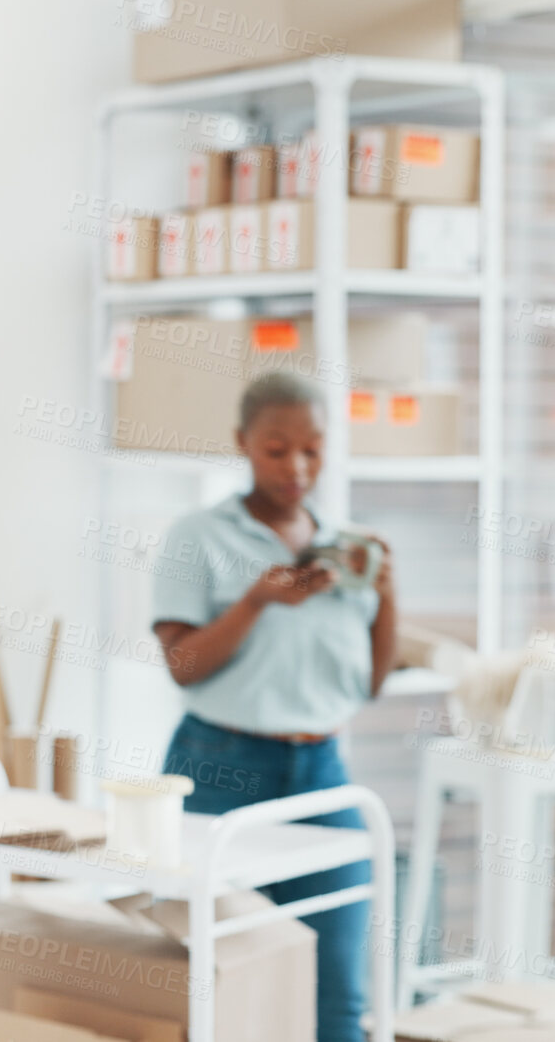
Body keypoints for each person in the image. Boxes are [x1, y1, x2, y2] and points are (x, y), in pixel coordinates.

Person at [151, 370, 398, 1042]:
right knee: (218, 984)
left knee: (336, 992)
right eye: (275, 448)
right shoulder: (198, 535)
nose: (296, 466)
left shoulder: (341, 552)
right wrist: (255, 601)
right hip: (219, 767)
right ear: (242, 444)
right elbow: (182, 665)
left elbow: (369, 684)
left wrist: (387, 588)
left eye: (312, 449)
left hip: (322, 773)